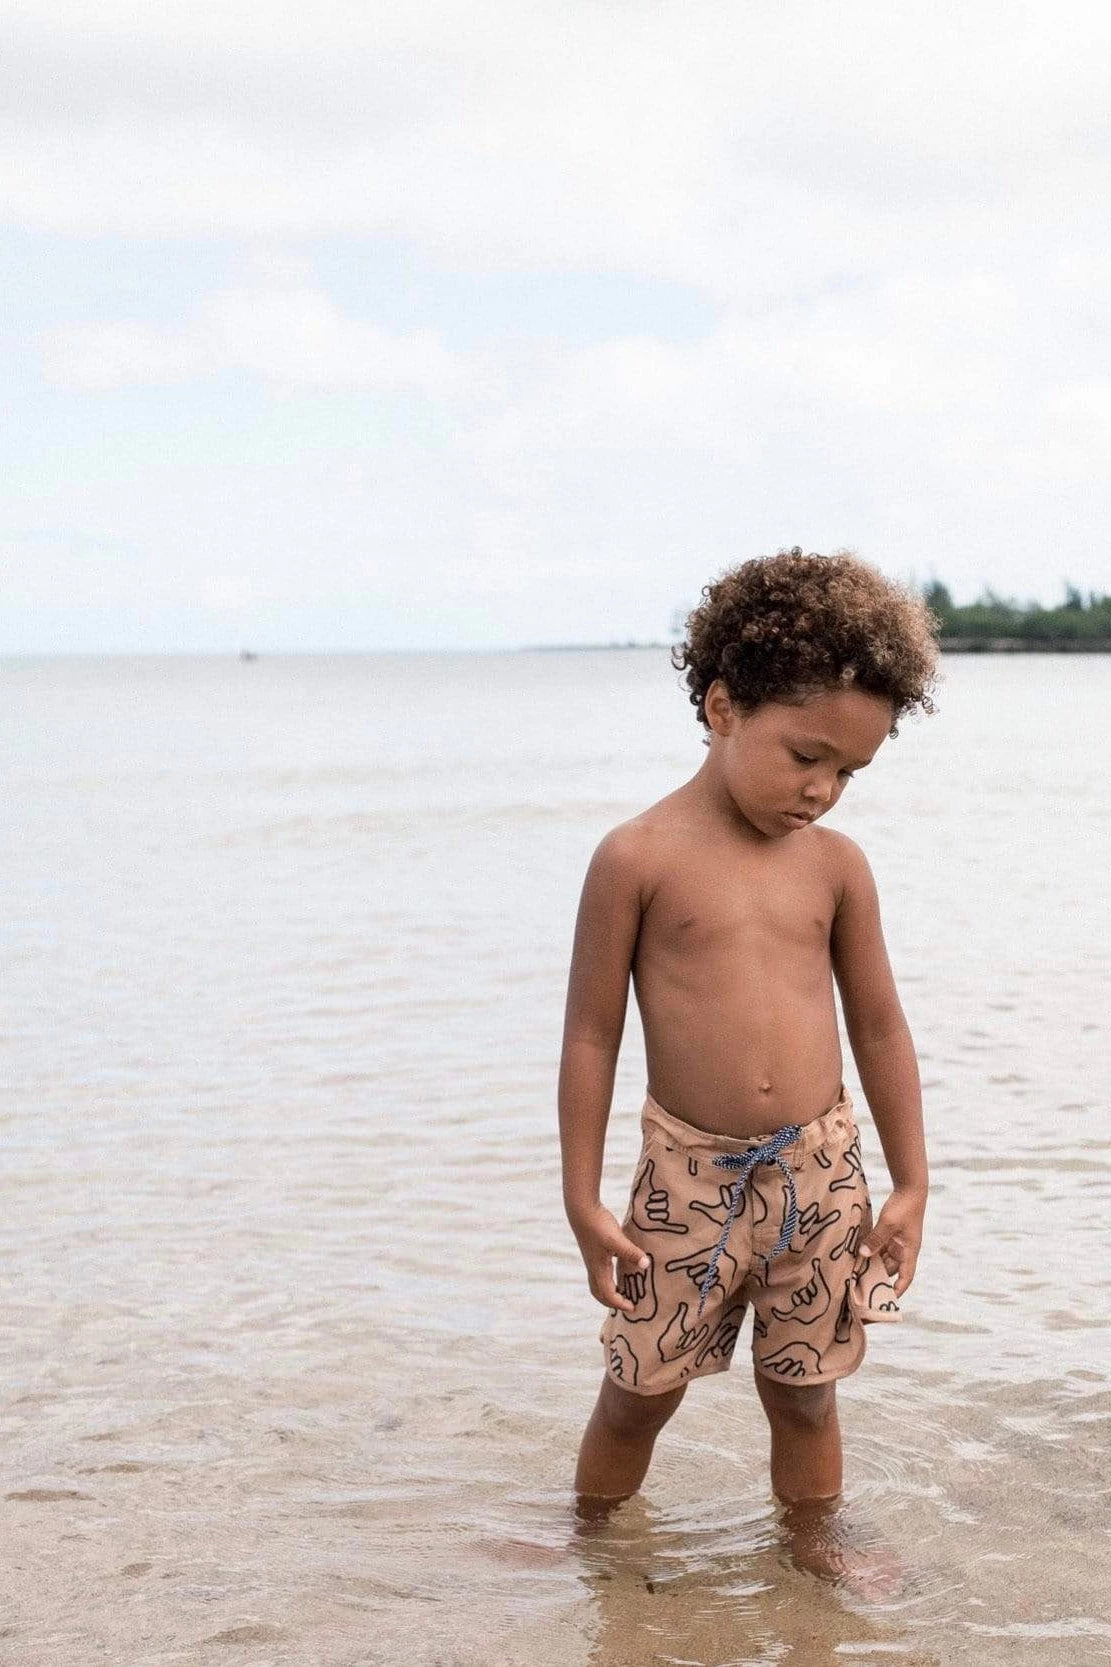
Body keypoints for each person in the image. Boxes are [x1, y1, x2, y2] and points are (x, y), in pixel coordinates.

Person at [558, 547, 937, 1569]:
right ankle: (591, 1541)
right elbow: (591, 1033)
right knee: (640, 1388)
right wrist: (581, 1195)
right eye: (805, 754)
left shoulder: (835, 868)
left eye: (849, 771)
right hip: (687, 1177)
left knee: (805, 1390)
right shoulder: (636, 858)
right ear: (724, 706)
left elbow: (880, 1024)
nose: (822, 789)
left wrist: (910, 1179)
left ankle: (810, 1544)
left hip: (820, 1170)